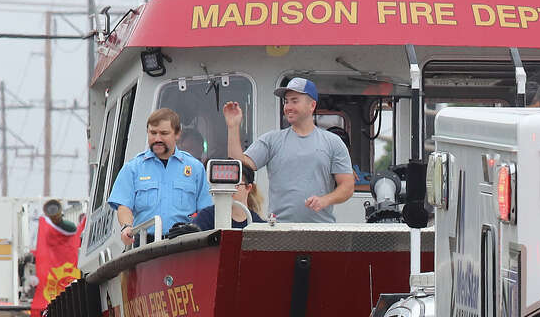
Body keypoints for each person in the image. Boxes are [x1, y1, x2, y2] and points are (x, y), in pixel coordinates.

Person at [223, 78, 355, 223]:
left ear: (312, 105)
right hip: (279, 230)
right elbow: (238, 165)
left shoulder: (333, 142)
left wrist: (325, 200)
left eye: (294, 101)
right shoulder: (271, 140)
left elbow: (347, 186)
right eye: (286, 101)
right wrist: (233, 127)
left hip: (321, 230)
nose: (288, 106)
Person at [108, 108, 212, 246]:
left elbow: (206, 209)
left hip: (185, 245)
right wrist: (126, 227)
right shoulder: (133, 168)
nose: (157, 139)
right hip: (145, 245)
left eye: (164, 133)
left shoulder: (195, 168)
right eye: (153, 133)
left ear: (177, 134)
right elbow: (124, 206)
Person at [191, 162, 266, 229]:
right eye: (224, 184)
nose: (228, 189)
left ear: (248, 188)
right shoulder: (205, 218)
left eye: (235, 184)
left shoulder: (257, 224)